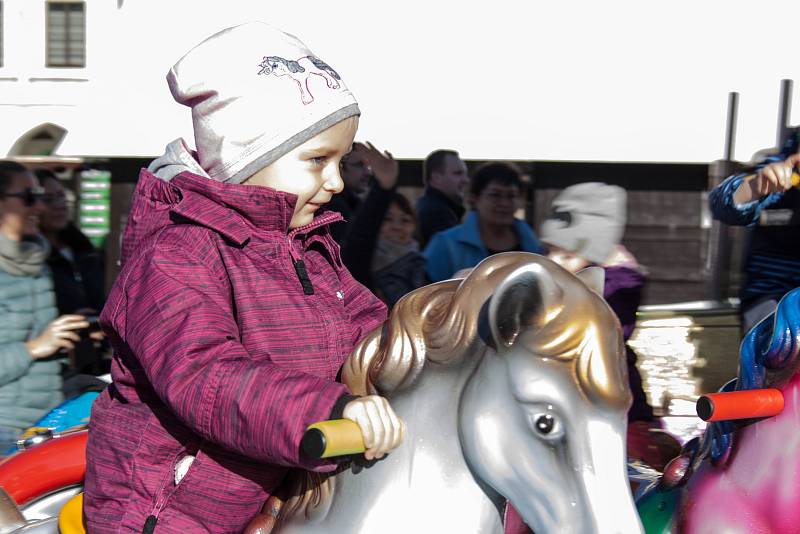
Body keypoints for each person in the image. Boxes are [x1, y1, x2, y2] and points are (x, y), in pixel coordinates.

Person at [83, 23, 404, 533]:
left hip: (273, 494)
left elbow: (373, 329)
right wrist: (335, 409)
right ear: (249, 156)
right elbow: (205, 375)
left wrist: (445, 335)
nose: (337, 181)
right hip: (168, 512)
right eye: (317, 160)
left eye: (342, 161)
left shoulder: (307, 251)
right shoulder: (175, 254)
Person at [0, 161, 88, 450]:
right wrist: (34, 347)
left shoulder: (37, 260)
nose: (38, 206)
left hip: (44, 428)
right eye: (28, 197)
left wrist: (73, 330)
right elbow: (36, 344)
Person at [709, 130, 800, 333]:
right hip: (775, 297)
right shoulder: (778, 169)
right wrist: (757, 186)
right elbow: (724, 203)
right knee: (778, 340)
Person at [35, 169, 108, 377]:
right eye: (48, 199)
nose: (59, 205)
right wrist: (68, 322)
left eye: (61, 196)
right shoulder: (31, 258)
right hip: (56, 366)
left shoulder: (84, 250)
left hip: (93, 362)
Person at [423, 161, 543, 282]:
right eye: (495, 195)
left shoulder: (533, 246)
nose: (504, 203)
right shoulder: (445, 245)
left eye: (511, 196)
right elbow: (424, 296)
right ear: (474, 198)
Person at [344, 190, 428, 306]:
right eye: (387, 219)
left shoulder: (421, 263)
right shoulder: (358, 265)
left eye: (405, 220)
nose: (397, 227)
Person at [415, 149, 469, 247]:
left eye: (465, 174)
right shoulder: (437, 214)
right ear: (436, 178)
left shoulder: (430, 207)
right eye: (458, 173)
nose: (466, 180)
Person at [326, 145, 375, 243]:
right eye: (359, 165)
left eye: (369, 166)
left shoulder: (348, 204)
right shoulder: (335, 207)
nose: (368, 172)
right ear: (340, 167)